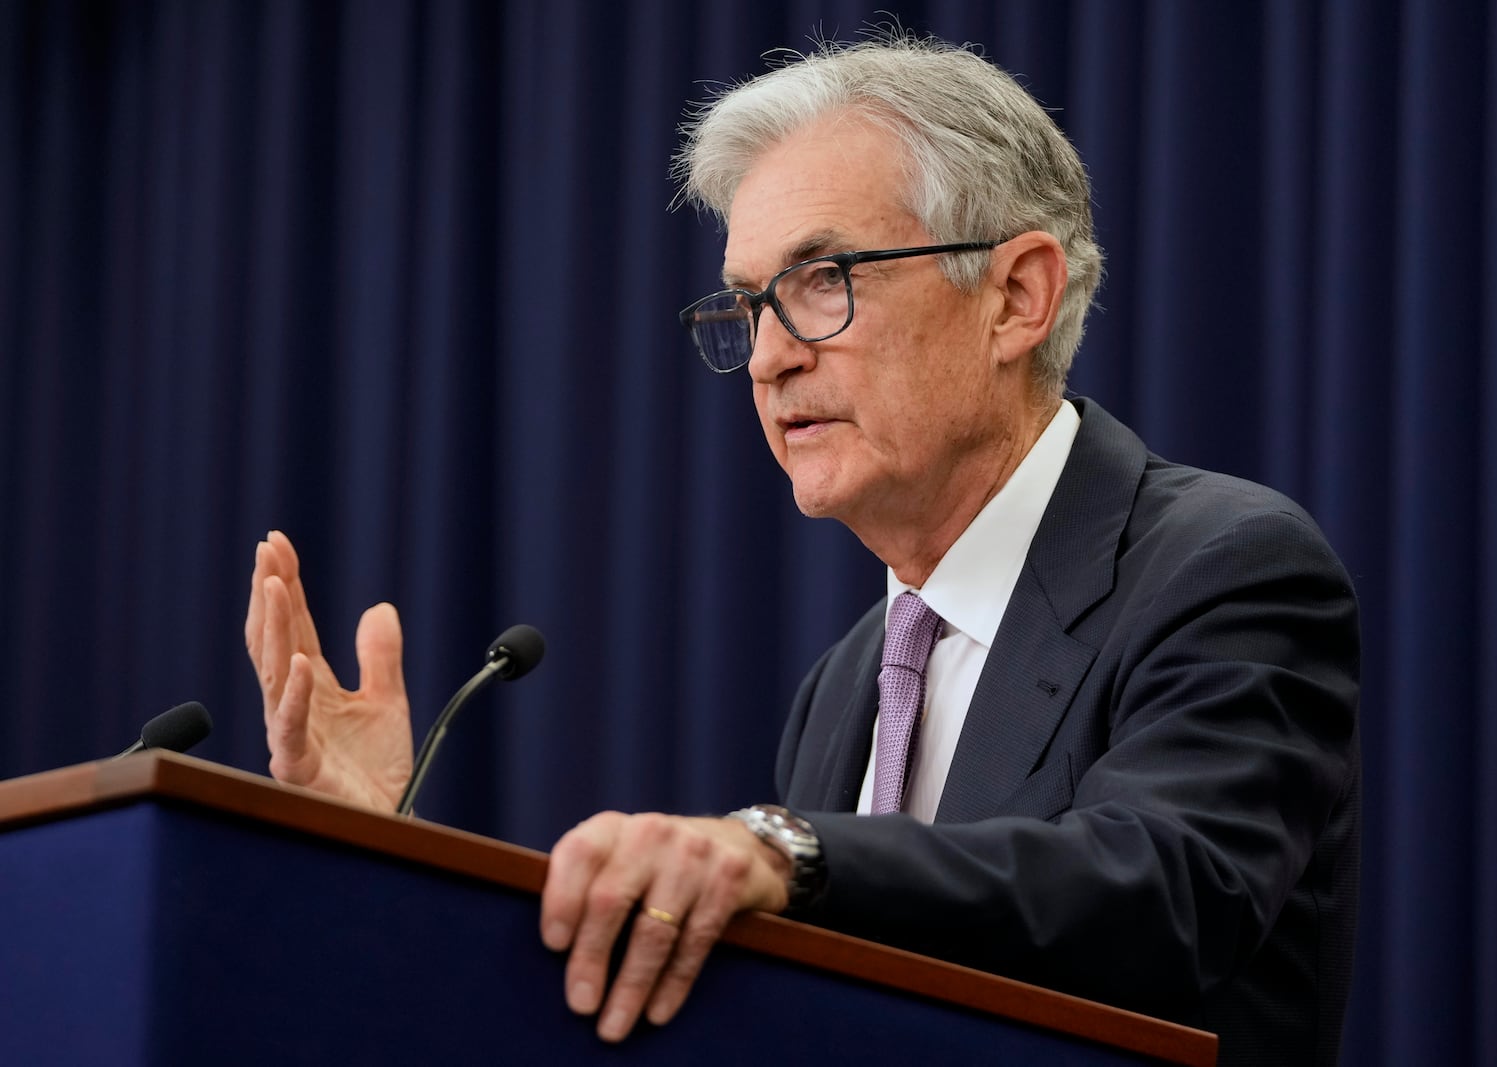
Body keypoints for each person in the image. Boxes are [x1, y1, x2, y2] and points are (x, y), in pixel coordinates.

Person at [245, 34, 1359, 1067]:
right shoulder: (845, 685)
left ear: (1016, 296)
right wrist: (379, 864)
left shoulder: (1224, 566)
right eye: (749, 303)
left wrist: (788, 853)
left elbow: (1162, 891)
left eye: (823, 281)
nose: (769, 357)